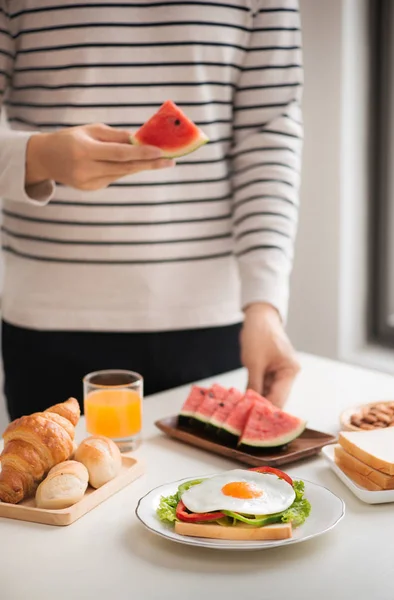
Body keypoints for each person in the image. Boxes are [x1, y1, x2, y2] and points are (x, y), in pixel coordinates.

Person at [0, 0, 303, 420]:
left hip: (217, 320)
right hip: (48, 318)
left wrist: (265, 303)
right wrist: (39, 158)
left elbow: (268, 136)